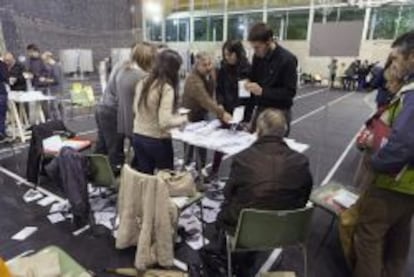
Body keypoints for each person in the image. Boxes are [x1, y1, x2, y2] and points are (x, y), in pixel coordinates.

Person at [202, 109, 313, 277]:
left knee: (225, 211)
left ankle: (228, 259)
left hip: (244, 232)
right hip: (288, 231)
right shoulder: (301, 161)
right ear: (284, 131)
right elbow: (304, 197)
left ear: (258, 131)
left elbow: (228, 194)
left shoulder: (243, 158)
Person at [352, 31, 414, 277]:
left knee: (368, 236)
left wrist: (376, 164)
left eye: (397, 58)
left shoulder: (412, 93)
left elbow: (403, 144)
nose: (394, 64)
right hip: (409, 186)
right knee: (399, 239)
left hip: (393, 182)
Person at [132, 49, 187, 174]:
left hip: (138, 137)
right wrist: (183, 119)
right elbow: (164, 122)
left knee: (147, 179)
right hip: (157, 140)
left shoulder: (143, 82)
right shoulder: (166, 88)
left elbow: (135, 109)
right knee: (166, 180)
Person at [207, 40, 251, 180]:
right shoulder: (223, 68)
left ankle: (238, 176)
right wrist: (220, 105)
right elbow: (219, 89)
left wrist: (244, 118)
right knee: (220, 144)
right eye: (225, 54)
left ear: (237, 53)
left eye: (230, 54)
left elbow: (247, 97)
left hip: (240, 112)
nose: (227, 57)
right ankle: (214, 171)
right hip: (225, 111)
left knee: (239, 146)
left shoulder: (247, 69)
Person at [182, 52, 232, 173]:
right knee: (189, 146)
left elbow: (210, 96)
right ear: (197, 66)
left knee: (202, 145)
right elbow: (205, 100)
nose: (208, 67)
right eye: (204, 65)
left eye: (210, 64)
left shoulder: (208, 75)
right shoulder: (193, 80)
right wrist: (222, 113)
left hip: (201, 114)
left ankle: (201, 169)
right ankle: (186, 169)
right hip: (190, 116)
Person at [244, 23, 298, 135]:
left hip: (279, 112)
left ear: (268, 41)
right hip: (261, 108)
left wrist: (262, 91)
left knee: (274, 149)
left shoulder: (288, 60)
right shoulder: (257, 57)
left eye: (257, 47)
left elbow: (289, 92)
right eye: (253, 47)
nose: (255, 51)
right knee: (253, 145)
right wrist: (248, 81)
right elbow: (253, 77)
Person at [117, 42, 155, 165]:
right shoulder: (143, 77)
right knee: (146, 162)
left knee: (138, 158)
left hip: (125, 122)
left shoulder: (123, 72)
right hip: (140, 127)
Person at [41, 51, 64, 119]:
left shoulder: (55, 67)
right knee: (60, 106)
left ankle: (58, 122)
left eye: (44, 60)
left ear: (48, 58)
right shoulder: (56, 66)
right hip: (59, 89)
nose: (44, 62)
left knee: (54, 107)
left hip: (55, 90)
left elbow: (56, 80)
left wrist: (44, 80)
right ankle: (62, 121)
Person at [0, 54, 9, 140]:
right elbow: (5, 77)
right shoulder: (2, 65)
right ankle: (1, 132)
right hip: (1, 91)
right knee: (2, 114)